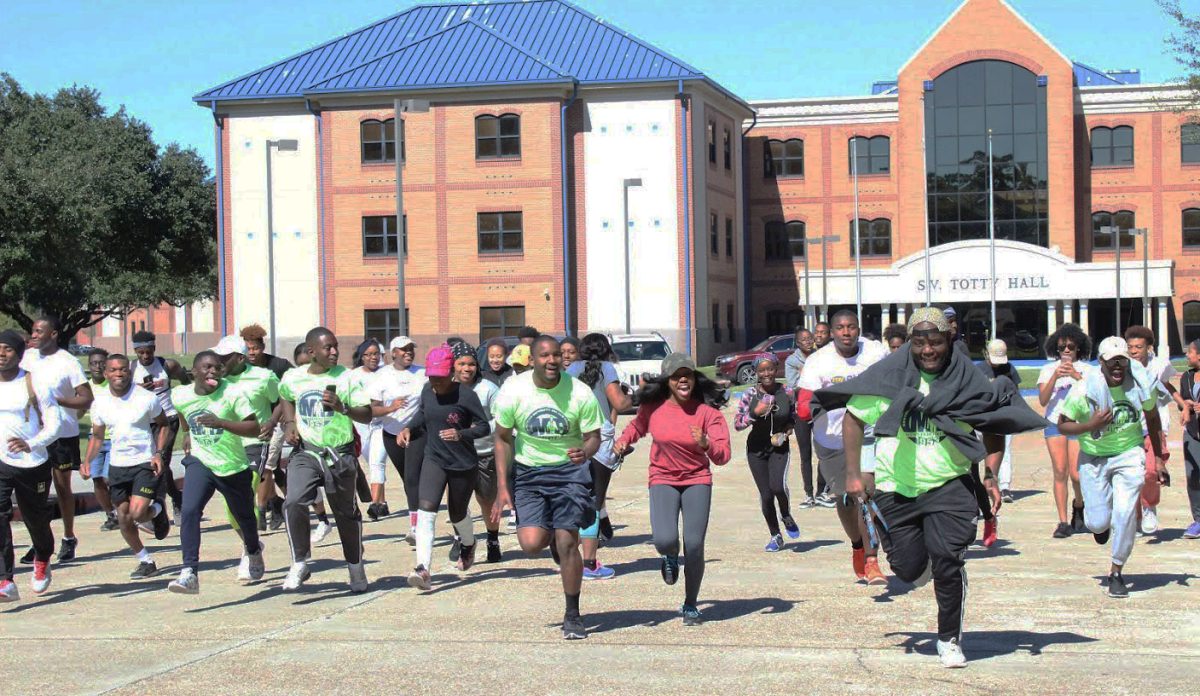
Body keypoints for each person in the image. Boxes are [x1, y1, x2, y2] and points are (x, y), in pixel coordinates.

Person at [822, 307, 1046, 668]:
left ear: (950, 341)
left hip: (949, 484)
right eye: (921, 342)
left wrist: (990, 474)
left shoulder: (967, 380)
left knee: (948, 561)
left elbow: (991, 420)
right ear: (911, 343)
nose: (929, 350)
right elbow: (853, 418)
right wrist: (853, 472)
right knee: (908, 569)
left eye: (936, 342)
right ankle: (922, 568)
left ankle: (949, 638)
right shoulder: (891, 378)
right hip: (896, 487)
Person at [490, 336, 603, 640]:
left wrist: (587, 452)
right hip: (529, 473)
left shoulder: (579, 392)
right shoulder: (514, 389)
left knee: (569, 543)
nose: (552, 361)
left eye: (556, 355)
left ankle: (573, 614)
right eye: (544, 356)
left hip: (569, 473)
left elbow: (594, 435)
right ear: (532, 360)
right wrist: (503, 486)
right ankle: (550, 535)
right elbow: (501, 437)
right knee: (530, 544)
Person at [615, 353, 730, 625]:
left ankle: (691, 604)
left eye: (687, 375)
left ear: (694, 378)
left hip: (696, 480)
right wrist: (622, 442)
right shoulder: (653, 408)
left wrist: (706, 444)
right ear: (667, 380)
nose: (683, 380)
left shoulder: (707, 413)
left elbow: (723, 455)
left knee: (694, 545)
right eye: (677, 376)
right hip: (663, 478)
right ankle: (668, 556)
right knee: (664, 540)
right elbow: (637, 426)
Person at [1057, 337, 1165, 599]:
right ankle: (1099, 526)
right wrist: (1090, 425)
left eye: (1122, 362)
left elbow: (1152, 417)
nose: (1118, 367)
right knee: (1097, 522)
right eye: (1112, 362)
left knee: (1126, 513)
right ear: (1102, 363)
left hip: (1129, 454)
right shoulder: (1085, 390)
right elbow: (1062, 424)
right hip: (1094, 458)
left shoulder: (1139, 384)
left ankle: (1116, 570)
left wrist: (1158, 458)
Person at [795, 310, 888, 584]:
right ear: (831, 332)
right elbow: (803, 406)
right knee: (846, 500)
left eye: (851, 327)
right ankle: (858, 545)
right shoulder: (817, 362)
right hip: (832, 440)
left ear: (859, 329)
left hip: (870, 436)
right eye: (840, 328)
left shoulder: (875, 353)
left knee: (867, 494)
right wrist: (825, 404)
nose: (846, 332)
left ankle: (872, 560)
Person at [277, 328, 373, 592]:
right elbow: (285, 395)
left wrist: (343, 407)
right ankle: (299, 561)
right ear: (311, 352)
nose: (334, 352)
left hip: (339, 455)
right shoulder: (294, 377)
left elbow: (367, 415)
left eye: (335, 346)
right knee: (294, 500)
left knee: (346, 515)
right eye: (327, 348)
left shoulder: (346, 378)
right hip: (306, 452)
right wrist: (289, 423)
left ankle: (355, 567)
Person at [168, 352, 265, 594]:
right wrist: (187, 432)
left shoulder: (232, 393)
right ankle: (189, 572)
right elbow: (183, 413)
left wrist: (221, 423)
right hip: (201, 462)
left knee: (245, 518)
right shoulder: (180, 394)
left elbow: (254, 428)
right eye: (207, 367)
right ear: (194, 372)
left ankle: (253, 549)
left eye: (217, 368)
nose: (213, 371)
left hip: (232, 466)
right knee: (189, 510)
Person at [399, 345, 490, 588]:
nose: (435, 383)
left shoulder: (466, 395)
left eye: (439, 378)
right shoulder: (427, 391)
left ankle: (468, 543)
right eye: (431, 377)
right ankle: (422, 568)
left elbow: (484, 427)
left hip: (462, 463)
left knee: (457, 513)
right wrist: (409, 427)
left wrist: (461, 434)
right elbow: (421, 415)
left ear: (451, 373)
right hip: (434, 458)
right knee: (426, 509)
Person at [83, 353, 172, 579]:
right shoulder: (100, 402)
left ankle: (158, 509)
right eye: (113, 370)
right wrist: (87, 461)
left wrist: (159, 454)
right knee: (123, 517)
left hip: (143, 461)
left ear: (129, 372)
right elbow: (97, 435)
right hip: (118, 465)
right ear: (106, 373)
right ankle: (145, 560)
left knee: (138, 514)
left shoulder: (146, 398)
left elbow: (164, 425)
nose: (119, 374)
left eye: (123, 369)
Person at [19, 316, 93, 564]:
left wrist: (55, 401)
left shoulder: (68, 362)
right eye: (33, 331)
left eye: (40, 331)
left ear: (54, 334)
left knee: (62, 488)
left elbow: (86, 398)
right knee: (35, 491)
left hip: (62, 432)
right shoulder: (27, 358)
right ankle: (40, 542)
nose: (35, 334)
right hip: (34, 433)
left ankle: (69, 537)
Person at [0, 329, 62, 601]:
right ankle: (5, 579)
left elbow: (55, 424)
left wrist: (32, 443)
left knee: (34, 519)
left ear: (19, 354)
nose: (1, 354)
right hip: (2, 462)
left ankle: (43, 557)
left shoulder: (35, 384)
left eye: (8, 349)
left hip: (33, 463)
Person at [566, 333, 633, 580]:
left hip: (572, 433)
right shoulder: (607, 369)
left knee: (572, 493)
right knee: (594, 498)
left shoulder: (571, 369)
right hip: (599, 434)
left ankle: (566, 554)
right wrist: (632, 395)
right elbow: (620, 403)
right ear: (606, 350)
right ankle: (590, 563)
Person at [213, 336, 282, 567]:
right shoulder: (215, 381)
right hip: (226, 447)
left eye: (224, 358)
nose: (219, 362)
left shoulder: (263, 377)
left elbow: (281, 400)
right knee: (231, 505)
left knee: (246, 493)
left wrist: (272, 422)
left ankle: (248, 553)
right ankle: (252, 544)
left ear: (240, 358)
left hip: (255, 444)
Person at [734, 354, 799, 550]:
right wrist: (754, 413)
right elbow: (737, 424)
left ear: (776, 369)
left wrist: (788, 428)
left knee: (778, 487)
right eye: (762, 370)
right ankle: (775, 535)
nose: (766, 373)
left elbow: (793, 416)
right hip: (756, 449)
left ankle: (786, 515)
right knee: (766, 494)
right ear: (756, 373)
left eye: (770, 369)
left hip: (779, 446)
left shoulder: (787, 392)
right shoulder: (750, 394)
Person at [1038, 323, 1092, 538]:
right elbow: (1043, 400)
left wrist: (1077, 376)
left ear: (1079, 347)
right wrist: (1055, 377)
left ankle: (1079, 505)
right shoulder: (1047, 369)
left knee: (1076, 475)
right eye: (1062, 347)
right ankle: (1062, 521)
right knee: (1059, 471)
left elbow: (1094, 396)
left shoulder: (1088, 370)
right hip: (1054, 423)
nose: (1067, 351)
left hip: (1077, 423)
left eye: (1071, 346)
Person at [451, 342, 504, 563]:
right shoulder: (446, 389)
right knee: (457, 502)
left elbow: (501, 420)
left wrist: (477, 430)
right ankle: (461, 538)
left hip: (484, 454)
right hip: (455, 456)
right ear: (453, 365)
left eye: (471, 364)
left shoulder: (488, 389)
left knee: (487, 500)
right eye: (461, 363)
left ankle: (493, 539)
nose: (466, 368)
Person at [372, 336, 428, 544]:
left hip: (417, 433)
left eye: (411, 349)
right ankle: (420, 516)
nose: (408, 353)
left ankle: (415, 527)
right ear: (393, 353)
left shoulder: (422, 373)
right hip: (391, 434)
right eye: (403, 350)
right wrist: (390, 407)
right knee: (408, 480)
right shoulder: (382, 376)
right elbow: (372, 409)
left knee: (413, 478)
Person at [130, 330, 191, 516]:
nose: (145, 356)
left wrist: (185, 398)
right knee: (153, 463)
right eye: (141, 352)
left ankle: (158, 504)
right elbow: (121, 390)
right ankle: (176, 496)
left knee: (161, 460)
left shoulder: (167, 365)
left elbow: (186, 381)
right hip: (144, 421)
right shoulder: (131, 368)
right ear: (136, 352)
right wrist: (138, 389)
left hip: (168, 419)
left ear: (154, 348)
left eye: (149, 351)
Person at [1124, 325, 1177, 536]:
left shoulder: (1159, 365)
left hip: (1155, 426)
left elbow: (1168, 387)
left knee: (1152, 470)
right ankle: (1134, 518)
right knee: (1132, 473)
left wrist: (1182, 405)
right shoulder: (1123, 367)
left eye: (1138, 347)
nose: (1134, 351)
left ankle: (1149, 506)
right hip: (1129, 428)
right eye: (1130, 347)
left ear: (1149, 348)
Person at [240, 324, 294, 531]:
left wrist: (277, 421)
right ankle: (279, 503)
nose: (252, 353)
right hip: (253, 423)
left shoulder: (278, 365)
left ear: (262, 347)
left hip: (277, 420)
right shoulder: (241, 366)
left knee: (267, 466)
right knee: (266, 468)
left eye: (255, 348)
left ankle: (261, 511)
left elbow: (287, 394)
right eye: (248, 349)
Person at [977, 339, 1021, 548]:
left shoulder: (1009, 370)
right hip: (976, 423)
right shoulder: (977, 371)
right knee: (969, 475)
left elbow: (1016, 394)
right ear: (986, 354)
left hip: (999, 422)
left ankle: (997, 496)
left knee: (992, 469)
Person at [784, 327, 824, 508]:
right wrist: (808, 378)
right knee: (805, 454)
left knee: (823, 451)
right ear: (798, 343)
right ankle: (809, 494)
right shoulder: (792, 360)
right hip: (801, 411)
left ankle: (822, 492)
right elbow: (792, 386)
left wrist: (806, 375)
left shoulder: (821, 356)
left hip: (820, 410)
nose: (808, 341)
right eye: (803, 339)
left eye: (810, 338)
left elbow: (825, 380)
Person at [350, 339, 389, 521]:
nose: (373, 357)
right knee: (370, 461)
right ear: (362, 356)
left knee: (377, 462)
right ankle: (382, 502)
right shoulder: (354, 375)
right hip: (361, 424)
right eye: (369, 354)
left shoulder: (386, 373)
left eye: (376, 354)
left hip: (381, 423)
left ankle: (374, 505)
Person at [84, 348, 119, 532]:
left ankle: (122, 510)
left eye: (101, 363)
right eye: (93, 363)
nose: (97, 366)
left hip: (114, 438)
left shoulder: (114, 384)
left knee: (108, 478)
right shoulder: (86, 387)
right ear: (89, 366)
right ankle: (111, 515)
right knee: (97, 479)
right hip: (95, 438)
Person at [1178, 339, 1200, 539]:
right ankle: (1198, 520)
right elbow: (1182, 401)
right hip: (1193, 432)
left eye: (1190, 352)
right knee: (1193, 475)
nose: (1187, 355)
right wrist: (1186, 404)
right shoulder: (1186, 377)